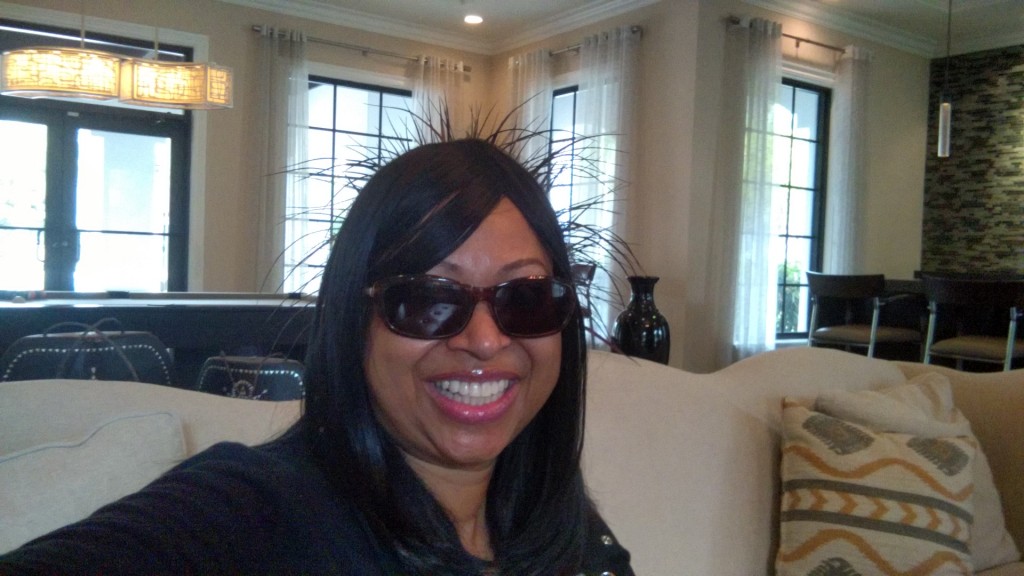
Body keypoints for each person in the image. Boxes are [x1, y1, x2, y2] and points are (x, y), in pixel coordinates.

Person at [0, 138, 634, 575]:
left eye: (526, 298)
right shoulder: (256, 508)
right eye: (427, 300)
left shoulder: (556, 515)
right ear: (355, 321)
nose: (486, 340)